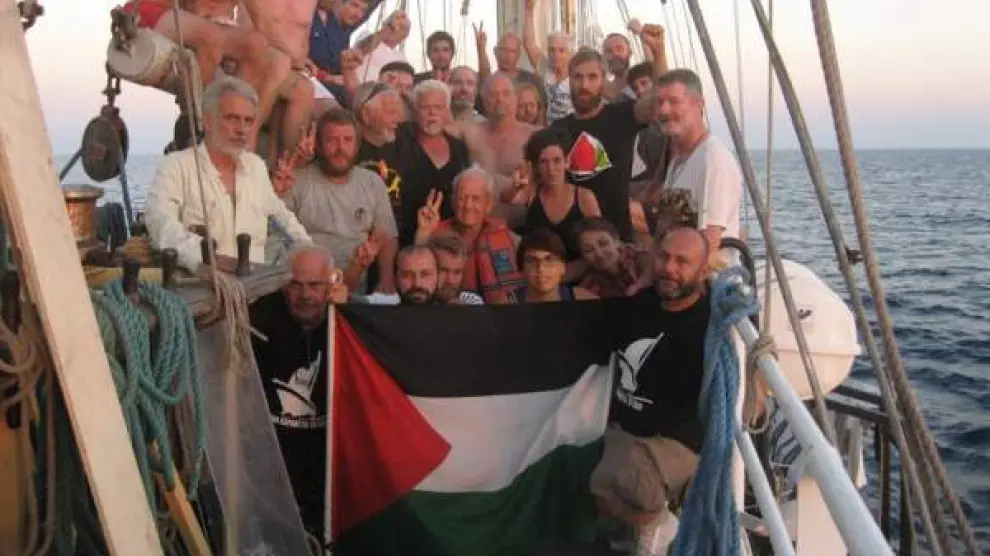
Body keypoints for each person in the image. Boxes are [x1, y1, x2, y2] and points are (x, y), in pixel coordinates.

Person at [590, 226, 711, 556]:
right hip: (630, 426)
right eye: (664, 257)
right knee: (597, 485)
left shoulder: (711, 323)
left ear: (703, 271)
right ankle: (655, 523)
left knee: (632, 480)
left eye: (682, 262)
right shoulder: (637, 306)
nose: (669, 268)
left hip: (678, 437)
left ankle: (655, 525)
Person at [145, 76, 311, 272]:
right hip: (200, 283)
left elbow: (284, 220)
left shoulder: (256, 167)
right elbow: (161, 225)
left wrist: (310, 252)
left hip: (254, 284)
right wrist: (210, 260)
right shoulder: (175, 166)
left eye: (248, 121)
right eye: (232, 119)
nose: (242, 129)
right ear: (208, 121)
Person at [249, 243, 348, 543]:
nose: (305, 295)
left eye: (315, 285)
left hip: (326, 464)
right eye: (296, 284)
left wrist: (347, 312)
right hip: (272, 461)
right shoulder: (258, 318)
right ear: (283, 285)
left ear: (332, 283)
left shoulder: (347, 321)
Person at [551, 36, 665, 242]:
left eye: (592, 77)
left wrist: (659, 51)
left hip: (617, 240)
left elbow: (659, 101)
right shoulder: (557, 129)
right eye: (577, 77)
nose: (584, 84)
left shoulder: (623, 115)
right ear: (569, 80)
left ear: (603, 80)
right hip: (572, 242)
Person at [283, 109, 399, 293]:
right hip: (306, 288)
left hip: (355, 291)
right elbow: (279, 239)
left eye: (347, 140)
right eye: (332, 140)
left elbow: (386, 236)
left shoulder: (372, 182)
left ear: (357, 145)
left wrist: (386, 281)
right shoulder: (296, 181)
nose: (340, 148)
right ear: (318, 145)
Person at [654, 69, 743, 251]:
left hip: (710, 269)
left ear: (700, 104)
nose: (664, 110)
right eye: (660, 102)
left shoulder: (712, 160)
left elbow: (710, 243)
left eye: (674, 101)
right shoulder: (678, 160)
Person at [413, 166, 526, 303]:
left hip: (497, 313)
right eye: (462, 198)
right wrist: (424, 233)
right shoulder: (436, 235)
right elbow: (416, 273)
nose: (468, 205)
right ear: (453, 202)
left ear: (488, 204)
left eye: (475, 199)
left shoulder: (510, 238)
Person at [504, 127, 601, 270]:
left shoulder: (584, 197)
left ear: (567, 161)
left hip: (578, 273)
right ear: (537, 166)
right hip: (539, 272)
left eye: (557, 160)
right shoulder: (532, 192)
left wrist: (564, 274)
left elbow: (598, 241)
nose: (551, 169)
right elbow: (507, 199)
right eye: (544, 162)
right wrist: (516, 185)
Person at [392, 80, 472, 245]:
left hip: (449, 240)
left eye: (438, 107)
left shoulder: (458, 147)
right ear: (415, 111)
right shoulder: (399, 138)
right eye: (425, 107)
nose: (432, 113)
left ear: (447, 111)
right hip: (406, 236)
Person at [475, 73, 539, 229]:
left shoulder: (534, 135)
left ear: (515, 98)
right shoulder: (470, 133)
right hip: (477, 226)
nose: (500, 99)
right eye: (493, 95)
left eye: (506, 93)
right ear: (484, 101)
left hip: (521, 227)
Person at [353, 82, 405, 228]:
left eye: (398, 112)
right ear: (366, 115)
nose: (398, 119)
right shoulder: (348, 150)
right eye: (390, 112)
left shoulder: (402, 143)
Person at [522, 0, 573, 123]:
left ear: (569, 53)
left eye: (561, 50)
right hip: (550, 128)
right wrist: (529, 12)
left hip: (572, 129)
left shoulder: (577, 74)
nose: (556, 55)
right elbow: (529, 44)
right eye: (551, 50)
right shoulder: (545, 68)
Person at [575, 217, 652, 298]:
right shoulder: (589, 286)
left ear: (617, 241)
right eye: (589, 250)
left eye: (603, 244)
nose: (599, 254)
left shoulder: (645, 261)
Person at [514, 228, 596, 302]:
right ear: (521, 268)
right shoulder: (508, 303)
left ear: (562, 267)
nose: (541, 268)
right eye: (531, 260)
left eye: (549, 259)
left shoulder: (585, 300)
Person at [352, 11, 411, 84]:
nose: (396, 29)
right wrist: (386, 30)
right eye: (394, 25)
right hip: (360, 87)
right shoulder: (367, 36)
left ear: (405, 35)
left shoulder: (402, 60)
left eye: (402, 27)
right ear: (385, 24)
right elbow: (362, 48)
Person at [426, 234, 484, 305]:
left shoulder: (472, 301)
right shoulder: (417, 299)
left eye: (457, 272)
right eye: (443, 270)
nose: (450, 281)